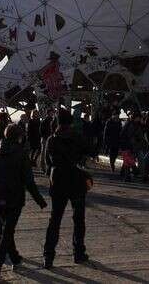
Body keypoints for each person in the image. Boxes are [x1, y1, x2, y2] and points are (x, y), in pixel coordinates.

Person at [0, 123, 46, 275]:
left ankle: (15, 259)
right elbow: (28, 181)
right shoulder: (21, 155)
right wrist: (39, 200)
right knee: (8, 233)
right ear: (18, 137)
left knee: (8, 231)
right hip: (14, 199)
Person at [43, 111, 91, 268]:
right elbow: (90, 150)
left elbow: (46, 163)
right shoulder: (77, 137)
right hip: (77, 182)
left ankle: (48, 256)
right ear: (71, 122)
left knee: (55, 220)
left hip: (58, 183)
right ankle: (78, 253)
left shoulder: (51, 139)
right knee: (79, 220)